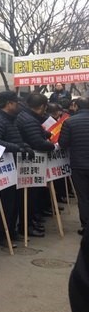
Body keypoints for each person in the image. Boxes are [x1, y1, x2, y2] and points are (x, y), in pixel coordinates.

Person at [0, 91, 33, 246]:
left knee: (14, 202)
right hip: (4, 167)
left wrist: (25, 146)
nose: (18, 105)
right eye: (16, 102)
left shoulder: (10, 119)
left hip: (12, 167)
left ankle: (11, 231)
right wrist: (17, 148)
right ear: (9, 104)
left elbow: (15, 138)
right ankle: (1, 235)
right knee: (5, 203)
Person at [17, 92, 56, 237]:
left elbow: (36, 135)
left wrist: (46, 135)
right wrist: (53, 146)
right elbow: (37, 142)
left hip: (31, 162)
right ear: (41, 106)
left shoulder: (27, 116)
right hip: (30, 162)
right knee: (29, 197)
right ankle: (26, 226)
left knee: (31, 197)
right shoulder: (29, 120)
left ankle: (31, 222)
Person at [59, 97, 89, 235]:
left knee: (83, 197)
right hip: (80, 163)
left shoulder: (69, 122)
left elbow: (63, 143)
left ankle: (86, 227)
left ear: (76, 106)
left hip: (79, 165)